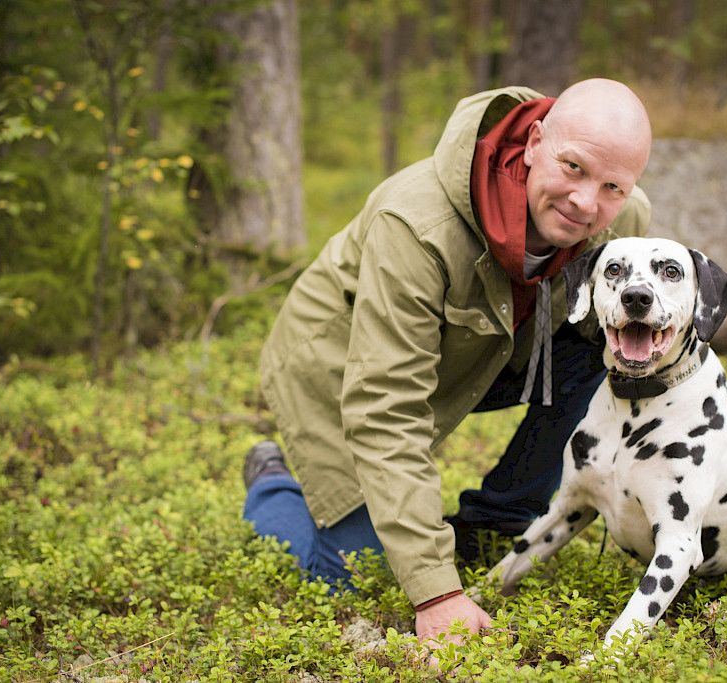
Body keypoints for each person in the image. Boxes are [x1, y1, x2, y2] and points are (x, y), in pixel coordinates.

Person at [243, 78, 653, 645]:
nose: (587, 202)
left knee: (609, 347)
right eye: (573, 168)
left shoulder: (623, 224)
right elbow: (387, 408)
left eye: (613, 186)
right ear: (534, 143)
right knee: (359, 577)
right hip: (341, 369)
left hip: (480, 352)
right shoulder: (415, 226)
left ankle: (500, 521)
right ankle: (273, 482)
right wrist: (436, 593)